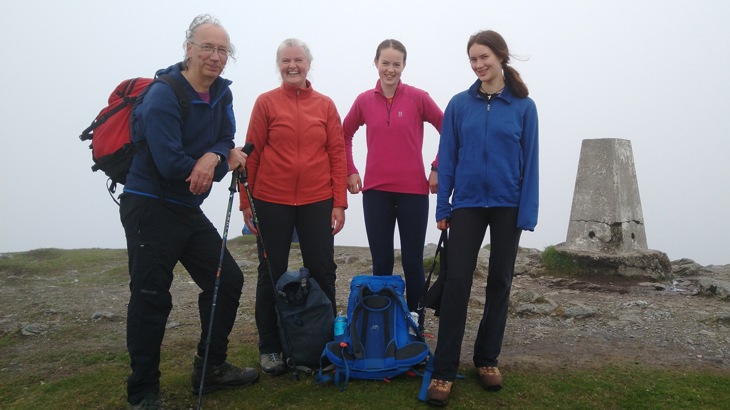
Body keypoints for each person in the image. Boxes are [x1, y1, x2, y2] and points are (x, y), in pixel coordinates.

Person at [119, 14, 258, 409]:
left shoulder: (221, 94)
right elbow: (169, 164)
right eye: (207, 48)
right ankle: (143, 391)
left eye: (222, 50)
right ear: (189, 48)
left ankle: (209, 368)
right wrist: (210, 163)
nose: (215, 57)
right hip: (149, 205)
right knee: (150, 297)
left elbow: (225, 139)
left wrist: (212, 157)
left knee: (226, 280)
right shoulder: (163, 94)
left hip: (185, 209)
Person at [426, 30, 539, 406]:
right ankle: (444, 369)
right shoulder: (459, 105)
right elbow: (449, 158)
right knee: (457, 282)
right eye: (473, 59)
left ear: (500, 57)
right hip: (468, 204)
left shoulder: (524, 107)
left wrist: (528, 211)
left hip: (508, 204)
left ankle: (487, 360)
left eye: (484, 57)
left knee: (500, 282)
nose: (478, 65)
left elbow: (532, 162)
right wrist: (444, 208)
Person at [239, 38, 347, 376]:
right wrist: (247, 203)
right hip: (271, 200)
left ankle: (326, 343)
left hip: (317, 199)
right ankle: (270, 348)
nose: (292, 66)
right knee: (271, 274)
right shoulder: (266, 103)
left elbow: (337, 154)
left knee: (323, 269)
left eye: (298, 60)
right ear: (279, 64)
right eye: (286, 61)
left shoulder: (325, 105)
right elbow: (250, 156)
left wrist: (339, 203)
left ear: (308, 64)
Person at [343, 39, 443, 316]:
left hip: (413, 191)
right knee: (382, 263)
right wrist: (350, 170)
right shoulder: (364, 100)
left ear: (404, 66)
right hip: (376, 192)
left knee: (413, 262)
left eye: (395, 64)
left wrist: (437, 167)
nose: (390, 69)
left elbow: (448, 129)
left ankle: (415, 326)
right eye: (385, 63)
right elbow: (343, 135)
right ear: (375, 63)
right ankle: (383, 323)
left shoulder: (418, 97)